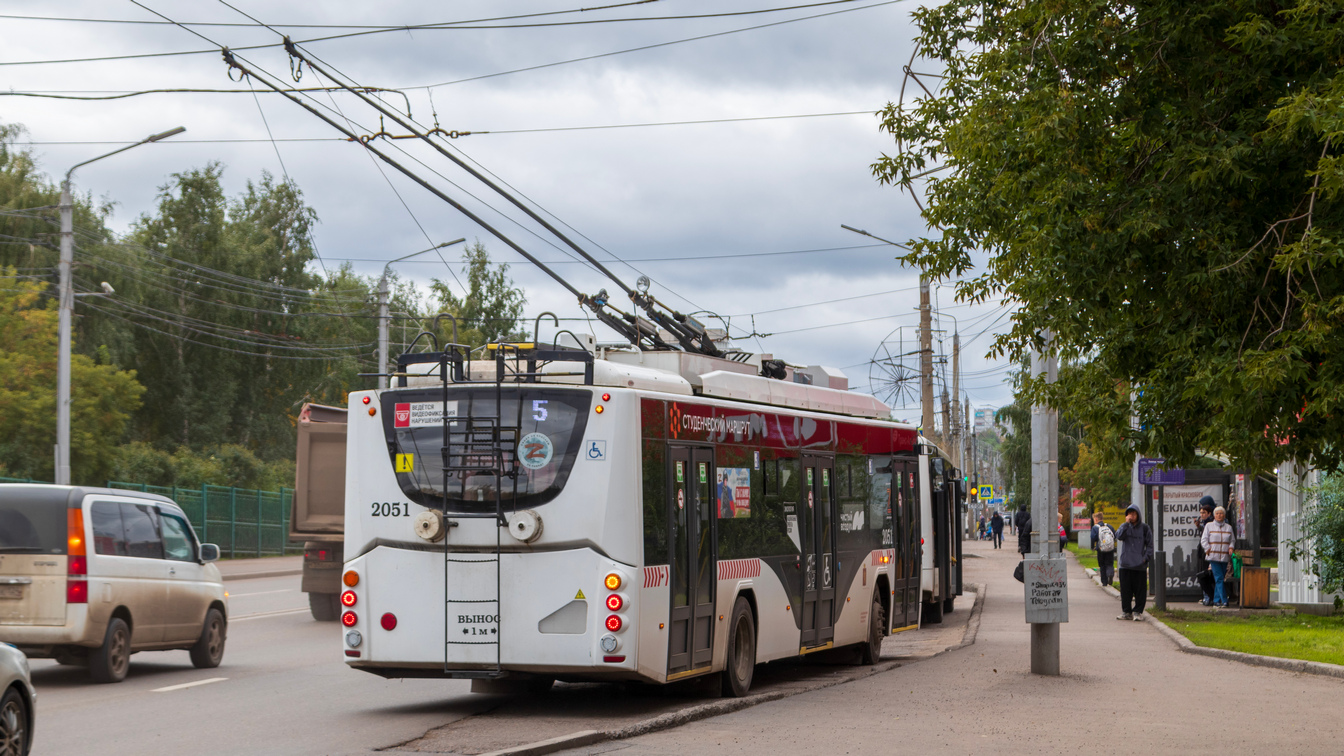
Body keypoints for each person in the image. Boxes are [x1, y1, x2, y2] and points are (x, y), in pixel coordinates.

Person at [1115, 503, 1153, 621]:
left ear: (1138, 515)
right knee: (1125, 590)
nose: (1131, 516)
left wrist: (1145, 558)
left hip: (1139, 565)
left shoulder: (1145, 528)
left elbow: (1150, 545)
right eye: (1129, 514)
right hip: (1125, 565)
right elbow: (1119, 536)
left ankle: (1137, 611)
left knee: (1140, 591)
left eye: (1134, 513)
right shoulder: (1124, 527)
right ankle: (1126, 611)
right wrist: (1126, 524)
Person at [1201, 505, 1236, 608]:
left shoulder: (1228, 527)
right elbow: (1204, 539)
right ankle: (1224, 600)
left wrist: (1231, 547)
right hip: (1213, 556)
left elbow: (1232, 540)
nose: (1219, 515)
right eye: (1217, 513)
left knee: (1219, 579)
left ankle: (1216, 601)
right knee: (1219, 578)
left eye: (1221, 513)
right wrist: (1207, 548)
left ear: (1224, 515)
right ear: (1214, 515)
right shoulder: (1209, 526)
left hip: (1224, 557)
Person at [1194, 497, 1216, 605]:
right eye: (1201, 513)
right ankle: (1207, 596)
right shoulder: (1206, 523)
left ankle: (1209, 597)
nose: (1201, 515)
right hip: (1203, 552)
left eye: (1204, 513)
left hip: (1207, 553)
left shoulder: (1210, 523)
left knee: (1205, 575)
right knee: (1203, 574)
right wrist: (1199, 526)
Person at [1090, 512, 1116, 587]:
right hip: (1110, 549)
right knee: (1109, 563)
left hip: (1101, 549)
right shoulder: (1109, 526)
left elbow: (1093, 538)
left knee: (1102, 564)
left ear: (1096, 519)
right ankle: (1110, 574)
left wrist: (1093, 547)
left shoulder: (1095, 528)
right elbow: (1114, 535)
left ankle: (1104, 582)